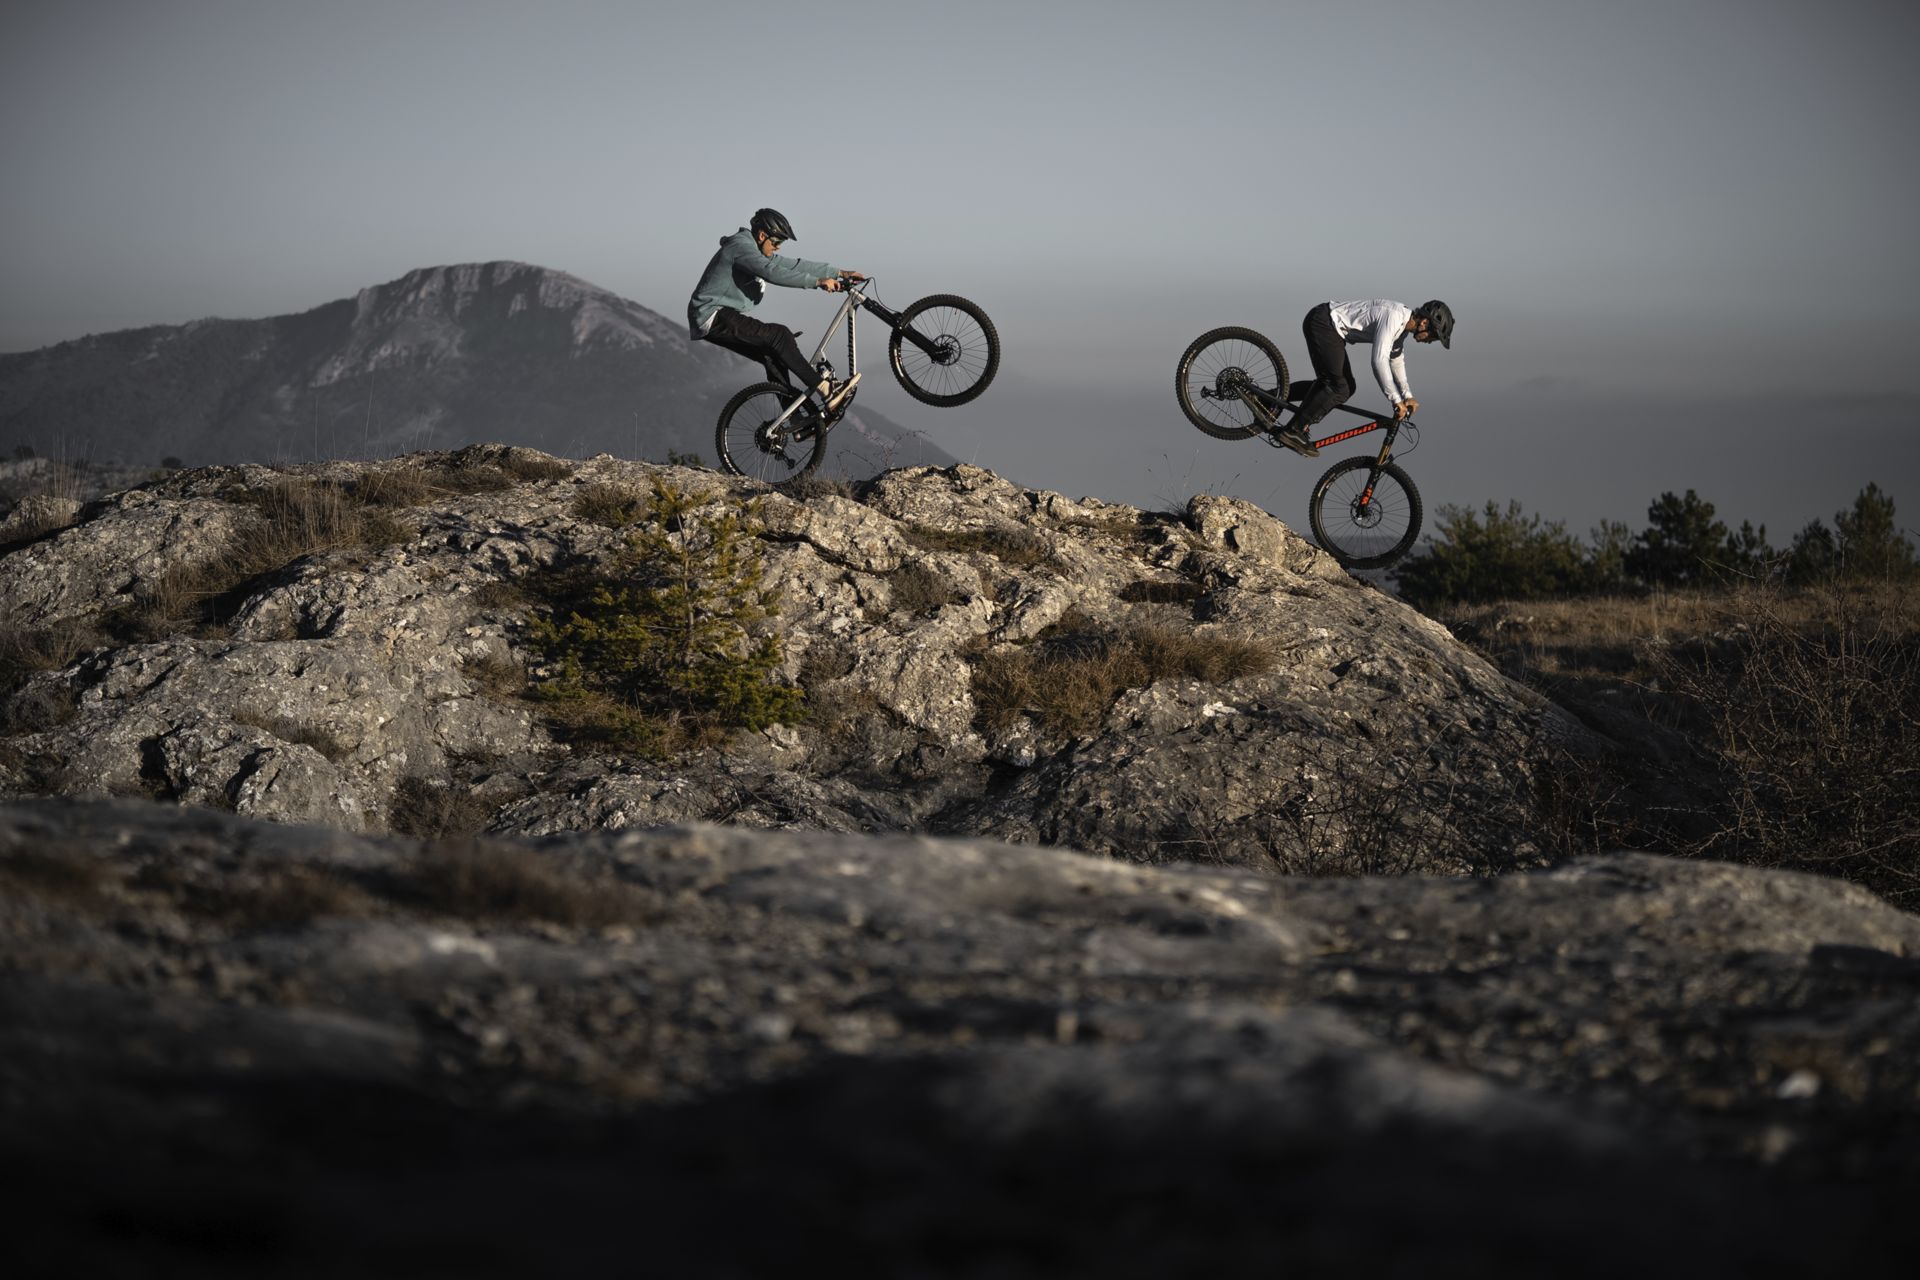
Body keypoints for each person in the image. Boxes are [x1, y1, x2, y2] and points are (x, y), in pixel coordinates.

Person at [687, 208, 866, 412]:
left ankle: (794, 418)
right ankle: (826, 390)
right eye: (776, 242)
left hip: (716, 317)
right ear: (762, 235)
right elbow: (771, 272)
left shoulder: (755, 250)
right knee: (779, 336)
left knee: (773, 355)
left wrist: (839, 272)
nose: (778, 247)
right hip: (712, 315)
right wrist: (817, 282)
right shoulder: (741, 248)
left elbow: (793, 266)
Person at [1276, 299, 1454, 457]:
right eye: (1434, 336)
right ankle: (1294, 430)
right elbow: (1379, 361)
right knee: (1340, 388)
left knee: (1341, 386)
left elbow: (1396, 360)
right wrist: (1395, 399)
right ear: (1424, 322)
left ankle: (1272, 398)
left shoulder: (1401, 329)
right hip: (1323, 323)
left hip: (1328, 326)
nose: (1430, 341)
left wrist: (1407, 396)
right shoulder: (1394, 317)